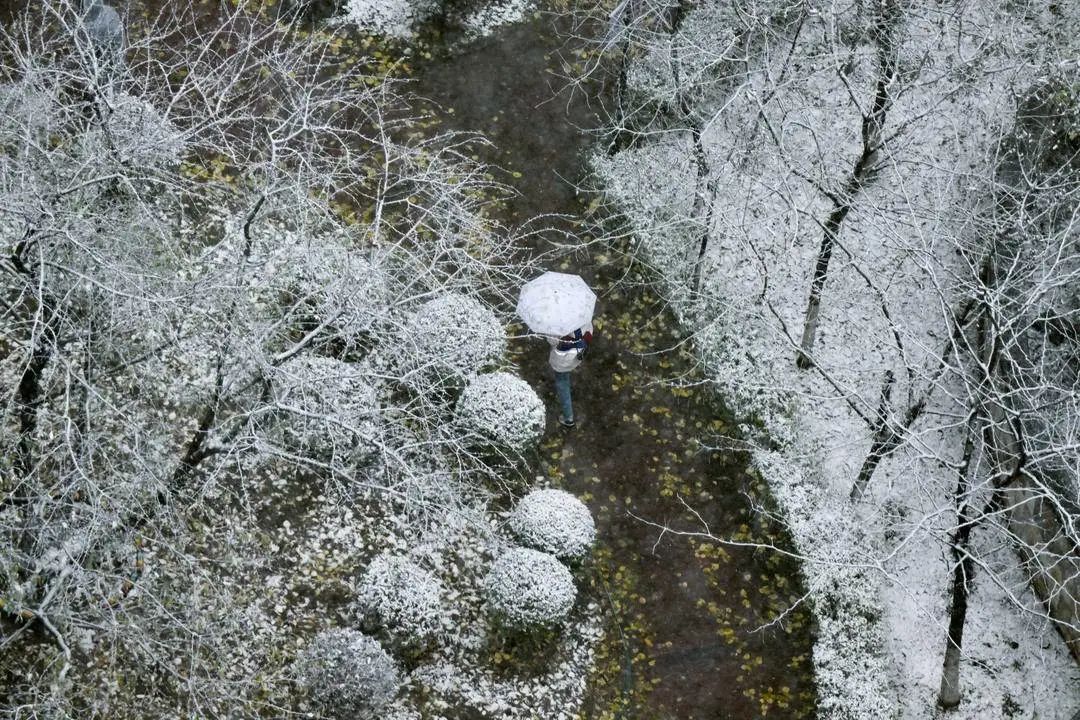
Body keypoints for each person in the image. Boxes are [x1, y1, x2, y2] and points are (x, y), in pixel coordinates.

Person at [547, 323, 592, 429]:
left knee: (562, 382)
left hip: (563, 357)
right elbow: (589, 331)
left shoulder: (557, 322)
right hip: (578, 353)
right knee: (565, 374)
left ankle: (568, 418)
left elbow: (552, 341)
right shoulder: (582, 317)